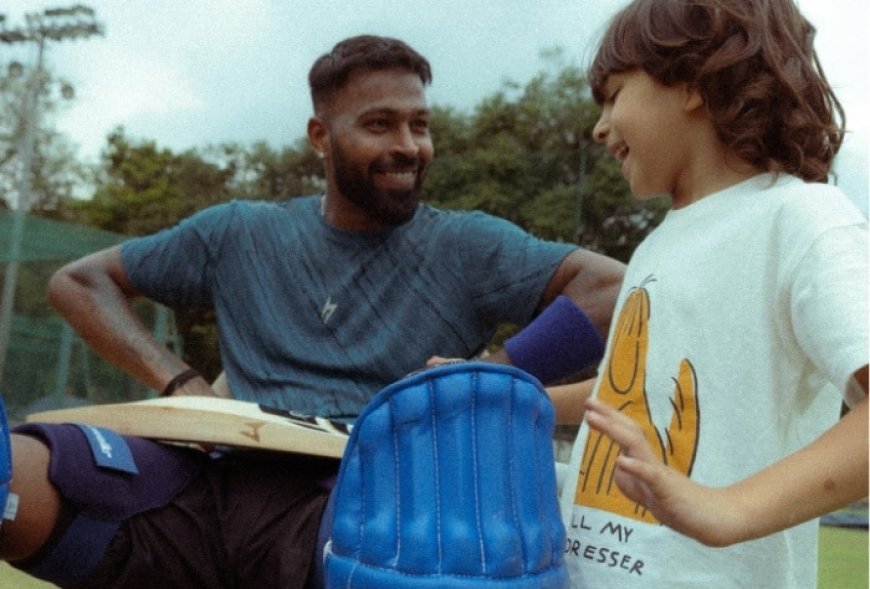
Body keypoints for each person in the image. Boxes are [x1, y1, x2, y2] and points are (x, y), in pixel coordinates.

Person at [0, 35, 625, 588]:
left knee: (421, 546)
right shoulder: (240, 232)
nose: (409, 146)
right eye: (380, 125)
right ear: (320, 137)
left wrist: (479, 380)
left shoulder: (466, 243)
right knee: (11, 475)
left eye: (420, 125)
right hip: (210, 483)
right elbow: (79, 282)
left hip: (365, 508)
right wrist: (182, 384)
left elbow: (612, 289)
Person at [548, 1, 869, 587]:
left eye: (614, 95)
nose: (599, 127)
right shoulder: (655, 245)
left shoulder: (801, 218)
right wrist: (524, 399)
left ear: (693, 79)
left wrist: (728, 508)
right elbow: (644, 383)